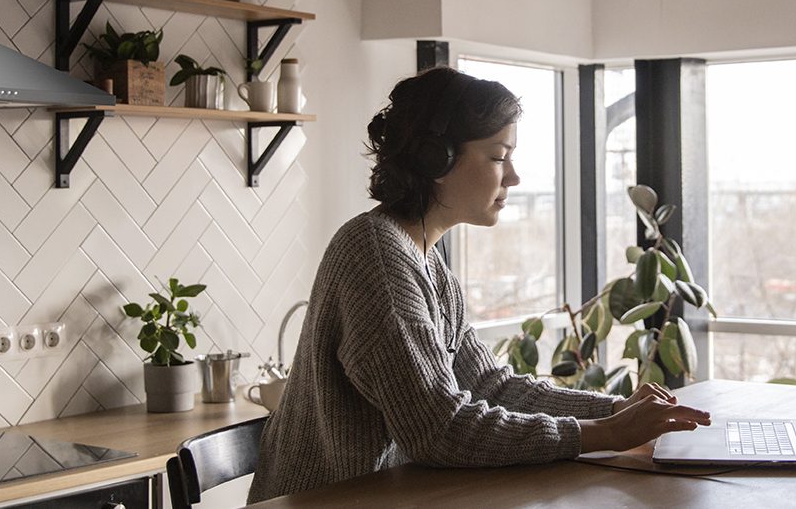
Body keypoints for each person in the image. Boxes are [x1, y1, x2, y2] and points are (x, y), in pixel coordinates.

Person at [247, 67, 710, 503]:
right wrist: (604, 433)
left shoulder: (423, 260)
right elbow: (438, 430)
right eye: (498, 157)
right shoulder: (377, 257)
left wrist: (615, 410)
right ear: (436, 160)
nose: (513, 176)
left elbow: (489, 386)